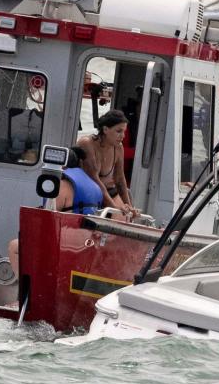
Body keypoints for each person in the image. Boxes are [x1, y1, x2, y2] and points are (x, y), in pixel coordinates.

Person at [8, 146, 102, 275]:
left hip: (67, 243)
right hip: (88, 243)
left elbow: (49, 218)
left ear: (62, 166)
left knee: (14, 246)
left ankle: (27, 289)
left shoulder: (62, 185)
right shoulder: (94, 185)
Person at [77, 109, 139, 217]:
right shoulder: (86, 144)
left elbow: (119, 179)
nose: (123, 136)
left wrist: (129, 207)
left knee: (125, 216)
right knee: (118, 214)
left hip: (109, 190)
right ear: (105, 129)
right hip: (88, 191)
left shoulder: (119, 148)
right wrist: (114, 208)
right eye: (119, 131)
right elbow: (94, 179)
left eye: (124, 131)